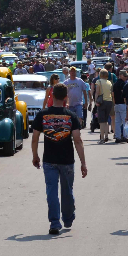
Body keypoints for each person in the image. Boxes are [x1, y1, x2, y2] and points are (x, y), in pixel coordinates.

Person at [31, 83, 87, 235]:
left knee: (51, 191)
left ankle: (55, 223)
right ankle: (67, 218)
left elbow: (35, 138)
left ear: (52, 95)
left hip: (49, 159)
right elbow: (77, 140)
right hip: (67, 160)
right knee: (67, 191)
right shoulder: (71, 116)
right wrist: (83, 163)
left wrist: (35, 155)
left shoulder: (42, 115)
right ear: (66, 97)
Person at [93, 69, 114, 144]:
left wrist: (95, 101)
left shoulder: (98, 81)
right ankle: (106, 136)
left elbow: (97, 92)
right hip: (109, 101)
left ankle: (102, 138)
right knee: (106, 119)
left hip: (102, 102)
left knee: (101, 121)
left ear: (100, 74)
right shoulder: (109, 82)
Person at [113, 70, 128, 143]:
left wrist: (114, 103)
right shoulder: (123, 84)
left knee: (117, 121)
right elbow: (124, 95)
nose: (126, 77)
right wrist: (126, 104)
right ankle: (125, 136)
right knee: (125, 121)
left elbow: (113, 95)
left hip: (116, 104)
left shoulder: (115, 84)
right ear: (121, 75)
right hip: (122, 104)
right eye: (125, 76)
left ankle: (118, 137)